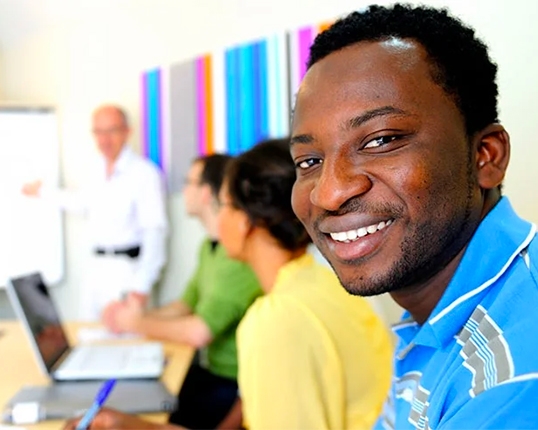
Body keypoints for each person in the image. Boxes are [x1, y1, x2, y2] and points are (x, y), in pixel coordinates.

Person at [289, 3, 538, 429]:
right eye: (309, 161)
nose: (329, 193)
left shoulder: (509, 376)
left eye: (382, 140)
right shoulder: (435, 313)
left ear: (485, 156)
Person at [65, 139, 393, 430]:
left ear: (247, 220)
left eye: (222, 205)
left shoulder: (275, 321)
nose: (217, 219)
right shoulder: (324, 281)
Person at [105, 153, 263, 430]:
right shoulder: (208, 247)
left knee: (147, 411)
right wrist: (137, 317)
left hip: (231, 383)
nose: (183, 191)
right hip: (209, 372)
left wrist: (136, 322)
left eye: (188, 183)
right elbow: (184, 305)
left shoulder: (237, 259)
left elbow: (199, 331)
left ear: (206, 193)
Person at [22, 104, 168, 321]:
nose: (104, 140)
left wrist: (141, 287)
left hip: (127, 273)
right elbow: (80, 201)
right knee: (88, 337)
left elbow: (155, 233)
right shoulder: (94, 170)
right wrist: (42, 192)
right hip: (96, 270)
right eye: (98, 132)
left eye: (112, 131)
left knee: (126, 344)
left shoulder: (145, 174)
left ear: (127, 131)